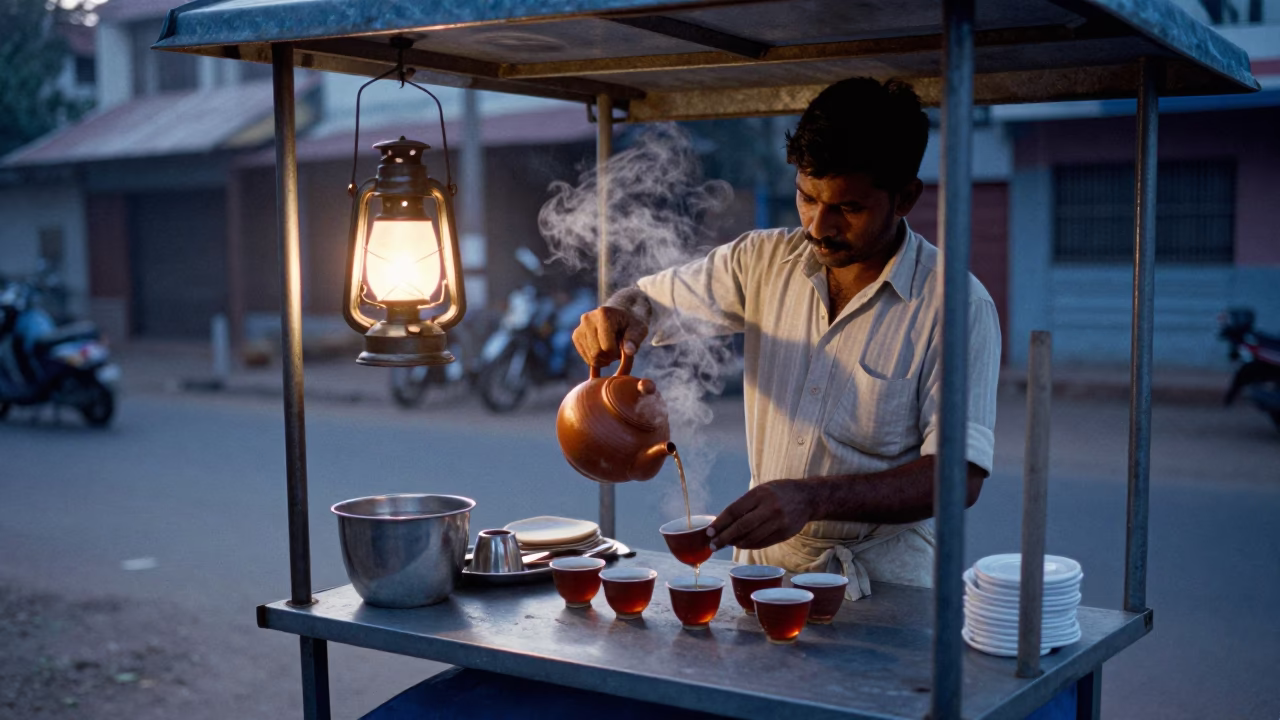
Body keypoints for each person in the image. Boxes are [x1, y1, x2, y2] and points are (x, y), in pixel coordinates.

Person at [572, 77, 1001, 599]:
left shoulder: (955, 305)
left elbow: (959, 477)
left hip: (887, 584)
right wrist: (620, 314)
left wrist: (813, 498)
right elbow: (648, 301)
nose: (819, 226)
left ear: (905, 197)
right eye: (807, 197)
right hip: (763, 576)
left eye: (848, 208)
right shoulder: (760, 261)